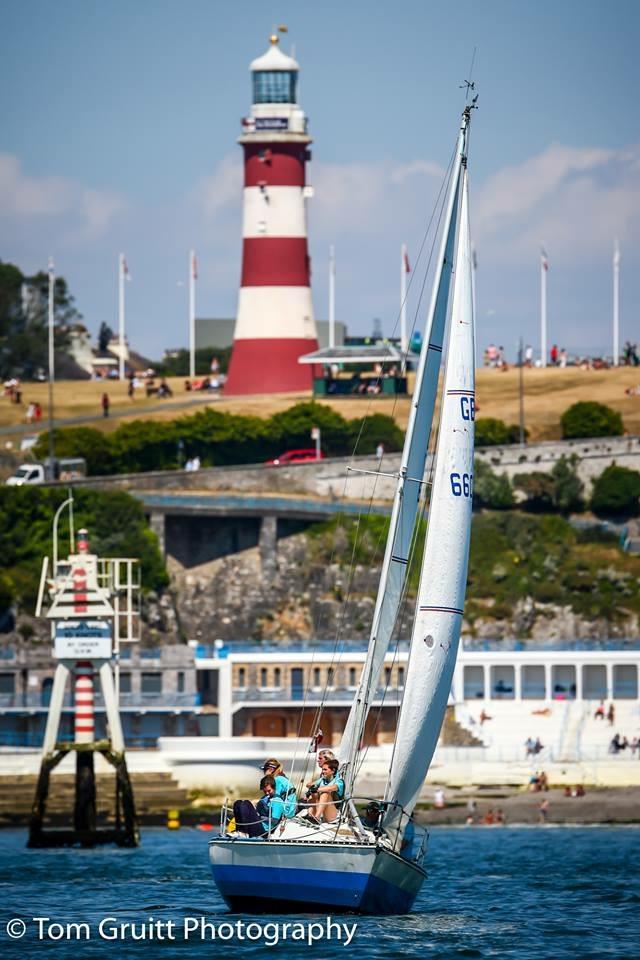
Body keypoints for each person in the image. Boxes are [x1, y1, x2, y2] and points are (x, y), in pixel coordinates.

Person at [305, 758, 344, 823]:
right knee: (313, 794)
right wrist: (312, 788)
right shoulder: (322, 779)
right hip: (322, 812)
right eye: (322, 769)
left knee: (325, 793)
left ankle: (317, 818)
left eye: (325, 769)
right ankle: (310, 815)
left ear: (333, 771)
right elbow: (308, 785)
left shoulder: (339, 781)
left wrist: (317, 789)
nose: (323, 772)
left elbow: (331, 788)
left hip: (333, 814)